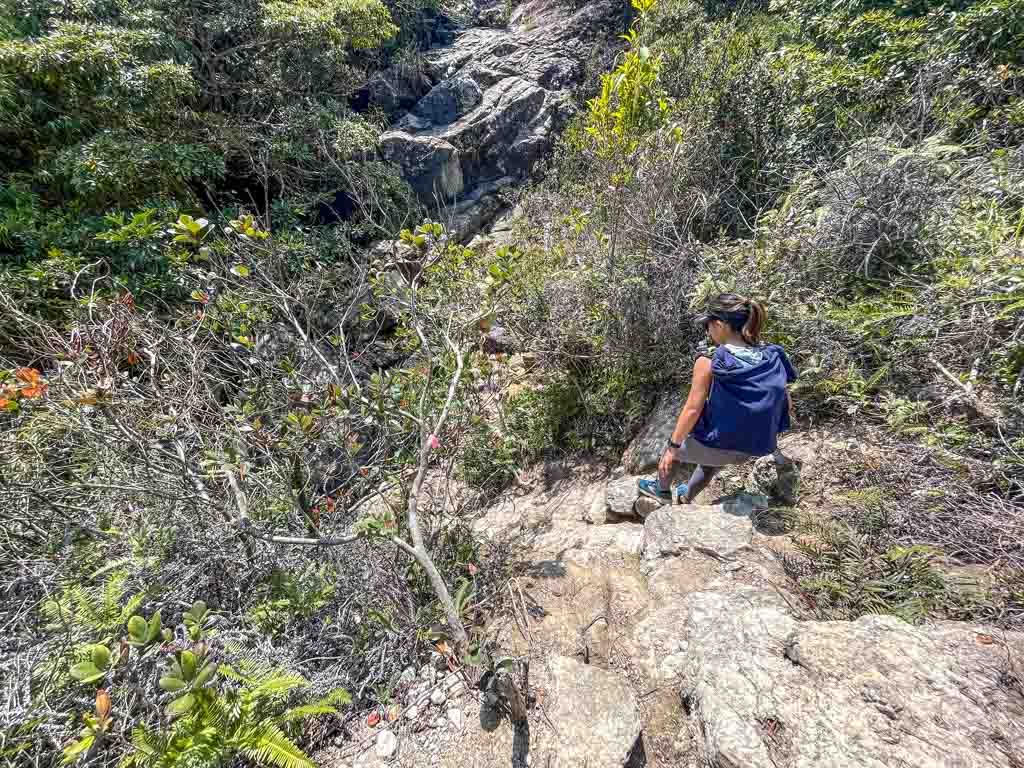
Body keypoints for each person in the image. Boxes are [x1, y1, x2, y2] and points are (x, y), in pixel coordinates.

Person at [638, 292, 797, 505]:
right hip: (754, 449)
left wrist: (671, 449)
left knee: (674, 444)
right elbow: (785, 401)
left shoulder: (709, 362)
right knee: (709, 458)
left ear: (720, 324)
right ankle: (686, 495)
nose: (707, 331)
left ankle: (662, 490)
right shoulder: (773, 355)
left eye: (708, 325)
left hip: (720, 447)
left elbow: (692, 409)